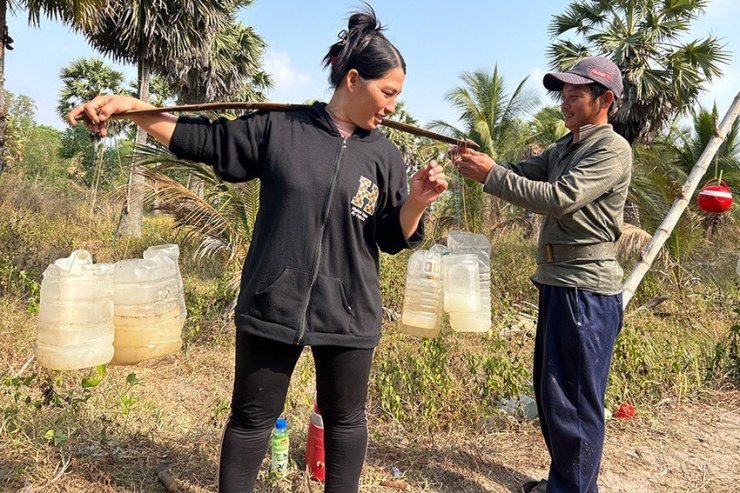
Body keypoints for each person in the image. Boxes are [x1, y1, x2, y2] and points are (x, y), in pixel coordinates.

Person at [69, 6, 447, 492]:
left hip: (350, 311)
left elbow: (392, 239)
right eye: (388, 92)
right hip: (274, 300)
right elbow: (201, 141)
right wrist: (130, 106)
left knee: (345, 420)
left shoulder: (385, 155)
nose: (392, 106)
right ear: (353, 79)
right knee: (251, 419)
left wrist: (416, 201)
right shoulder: (281, 128)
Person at [454, 56, 632, 493]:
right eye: (563, 95)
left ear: (604, 99)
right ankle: (564, 484)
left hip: (585, 289)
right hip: (558, 282)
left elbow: (559, 198)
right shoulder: (565, 147)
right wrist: (483, 164)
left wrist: (490, 174)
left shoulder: (611, 149)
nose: (565, 103)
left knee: (574, 399)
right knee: (554, 394)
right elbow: (517, 174)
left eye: (575, 95)